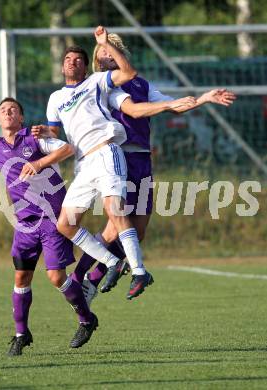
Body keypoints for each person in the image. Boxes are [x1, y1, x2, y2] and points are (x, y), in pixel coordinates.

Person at [74, 33, 236, 306]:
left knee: (137, 232)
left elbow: (175, 106)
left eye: (110, 50)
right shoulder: (100, 86)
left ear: (119, 53)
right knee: (114, 229)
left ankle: (93, 278)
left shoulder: (140, 83)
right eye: (101, 52)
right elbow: (135, 111)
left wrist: (204, 98)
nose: (105, 56)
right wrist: (168, 105)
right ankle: (81, 279)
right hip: (118, 160)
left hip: (143, 160)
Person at [34, 26, 193, 301]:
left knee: (116, 213)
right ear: (61, 67)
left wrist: (106, 42)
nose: (72, 62)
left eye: (78, 60)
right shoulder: (56, 98)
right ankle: (111, 263)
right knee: (66, 223)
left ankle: (137, 271)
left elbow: (130, 87)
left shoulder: (98, 83)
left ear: (87, 68)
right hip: (83, 163)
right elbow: (56, 134)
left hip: (108, 153)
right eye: (68, 59)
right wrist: (42, 133)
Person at [0, 97, 98, 354]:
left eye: (13, 110)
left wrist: (39, 162)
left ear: (21, 118)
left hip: (52, 219)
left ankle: (86, 320)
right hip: (25, 225)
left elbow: (68, 149)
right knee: (21, 276)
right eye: (3, 110)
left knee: (56, 277)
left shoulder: (35, 139)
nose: (8, 113)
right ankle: (21, 334)